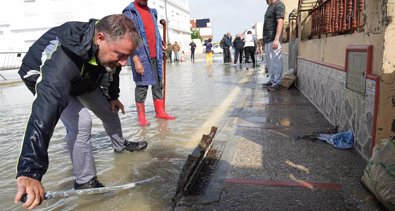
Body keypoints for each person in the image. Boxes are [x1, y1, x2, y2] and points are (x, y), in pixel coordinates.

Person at [14, 14, 147, 210]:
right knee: (82, 122)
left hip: (84, 77)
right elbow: (45, 110)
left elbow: (113, 68)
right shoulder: (62, 59)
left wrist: (113, 96)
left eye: (128, 55)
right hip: (43, 76)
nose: (125, 62)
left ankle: (120, 146)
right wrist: (30, 170)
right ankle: (85, 181)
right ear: (100, 38)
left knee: (110, 111)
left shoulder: (111, 50)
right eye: (121, 54)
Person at [123, 0, 176, 126]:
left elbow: (155, 32)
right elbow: (128, 38)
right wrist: (135, 60)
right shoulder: (129, 12)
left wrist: (161, 44)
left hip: (156, 54)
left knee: (158, 84)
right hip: (141, 56)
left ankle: (160, 111)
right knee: (142, 86)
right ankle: (141, 117)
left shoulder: (152, 12)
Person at [262, 0, 285, 91]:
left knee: (276, 61)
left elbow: (280, 22)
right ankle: (272, 80)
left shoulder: (279, 5)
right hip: (268, 39)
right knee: (270, 62)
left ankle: (277, 83)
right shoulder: (270, 6)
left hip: (274, 39)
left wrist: (276, 39)